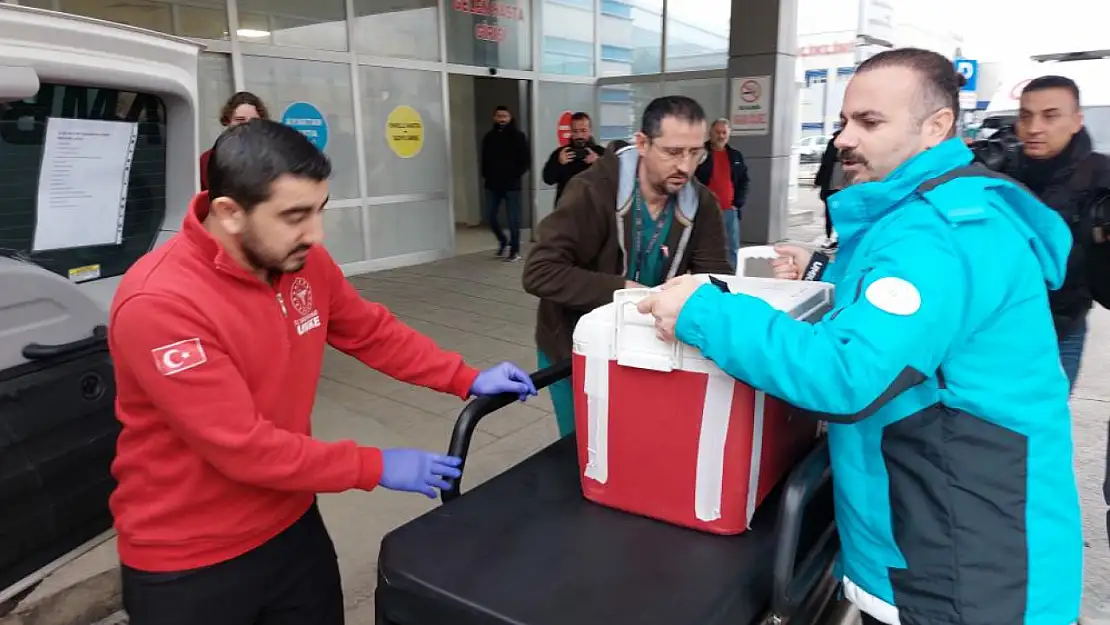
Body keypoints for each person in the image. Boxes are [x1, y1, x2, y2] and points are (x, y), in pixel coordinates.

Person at [637, 48, 1082, 625]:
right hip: (940, 536)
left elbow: (846, 374)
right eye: (845, 121)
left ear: (936, 127)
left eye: (870, 123)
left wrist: (704, 312)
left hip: (961, 569)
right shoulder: (925, 212)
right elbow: (905, 315)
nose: (845, 139)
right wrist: (824, 268)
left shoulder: (943, 235)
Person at [108, 119, 537, 625]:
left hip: (290, 525)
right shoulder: (160, 303)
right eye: (295, 215)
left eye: (319, 210)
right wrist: (375, 466)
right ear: (228, 213)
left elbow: (371, 332)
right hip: (190, 559)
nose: (316, 233)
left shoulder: (301, 262)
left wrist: (463, 376)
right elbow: (243, 448)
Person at [522, 95, 734, 438]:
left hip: (650, 348)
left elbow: (716, 279)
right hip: (575, 347)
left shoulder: (703, 204)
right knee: (587, 450)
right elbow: (539, 272)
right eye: (673, 152)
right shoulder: (591, 191)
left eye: (696, 152)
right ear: (642, 143)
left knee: (639, 445)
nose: (686, 166)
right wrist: (623, 290)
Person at [1012, 75, 1110, 390]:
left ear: (1076, 121)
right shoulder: (1000, 171)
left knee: (1045, 420)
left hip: (1062, 327)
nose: (1035, 127)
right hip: (999, 327)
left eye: (1050, 116)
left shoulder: (1101, 175)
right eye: (1026, 116)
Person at [694, 117, 749, 265]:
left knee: (732, 248)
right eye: (718, 132)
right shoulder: (699, 154)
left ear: (729, 133)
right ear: (710, 133)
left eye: (724, 132)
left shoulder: (735, 156)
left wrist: (738, 203)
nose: (721, 136)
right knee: (704, 247)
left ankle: (731, 278)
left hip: (729, 211)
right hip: (705, 210)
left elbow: (744, 180)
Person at [481, 105, 531, 262]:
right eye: (499, 116)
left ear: (510, 118)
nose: (502, 119)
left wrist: (516, 174)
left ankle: (514, 251)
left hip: (511, 185)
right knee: (490, 216)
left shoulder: (518, 136)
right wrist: (486, 174)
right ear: (494, 118)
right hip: (492, 184)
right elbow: (484, 159)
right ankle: (503, 241)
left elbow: (525, 160)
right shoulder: (489, 137)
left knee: (513, 219)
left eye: (505, 116)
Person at [199, 91, 268, 191]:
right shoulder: (208, 160)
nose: (246, 125)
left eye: (254, 120)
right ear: (228, 121)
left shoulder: (272, 158)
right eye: (240, 119)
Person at [542, 111, 605, 203]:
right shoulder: (561, 153)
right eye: (575, 131)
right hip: (566, 208)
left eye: (583, 131)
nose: (579, 135)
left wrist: (598, 163)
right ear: (571, 131)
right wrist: (559, 163)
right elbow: (548, 179)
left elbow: (612, 180)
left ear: (590, 130)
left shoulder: (600, 153)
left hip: (593, 208)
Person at [813, 128, 844, 246]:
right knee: (832, 212)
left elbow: (825, 164)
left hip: (842, 185)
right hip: (835, 184)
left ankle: (833, 237)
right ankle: (830, 236)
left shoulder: (834, 143)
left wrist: (818, 181)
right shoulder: (833, 144)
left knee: (834, 212)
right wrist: (818, 181)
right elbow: (825, 164)